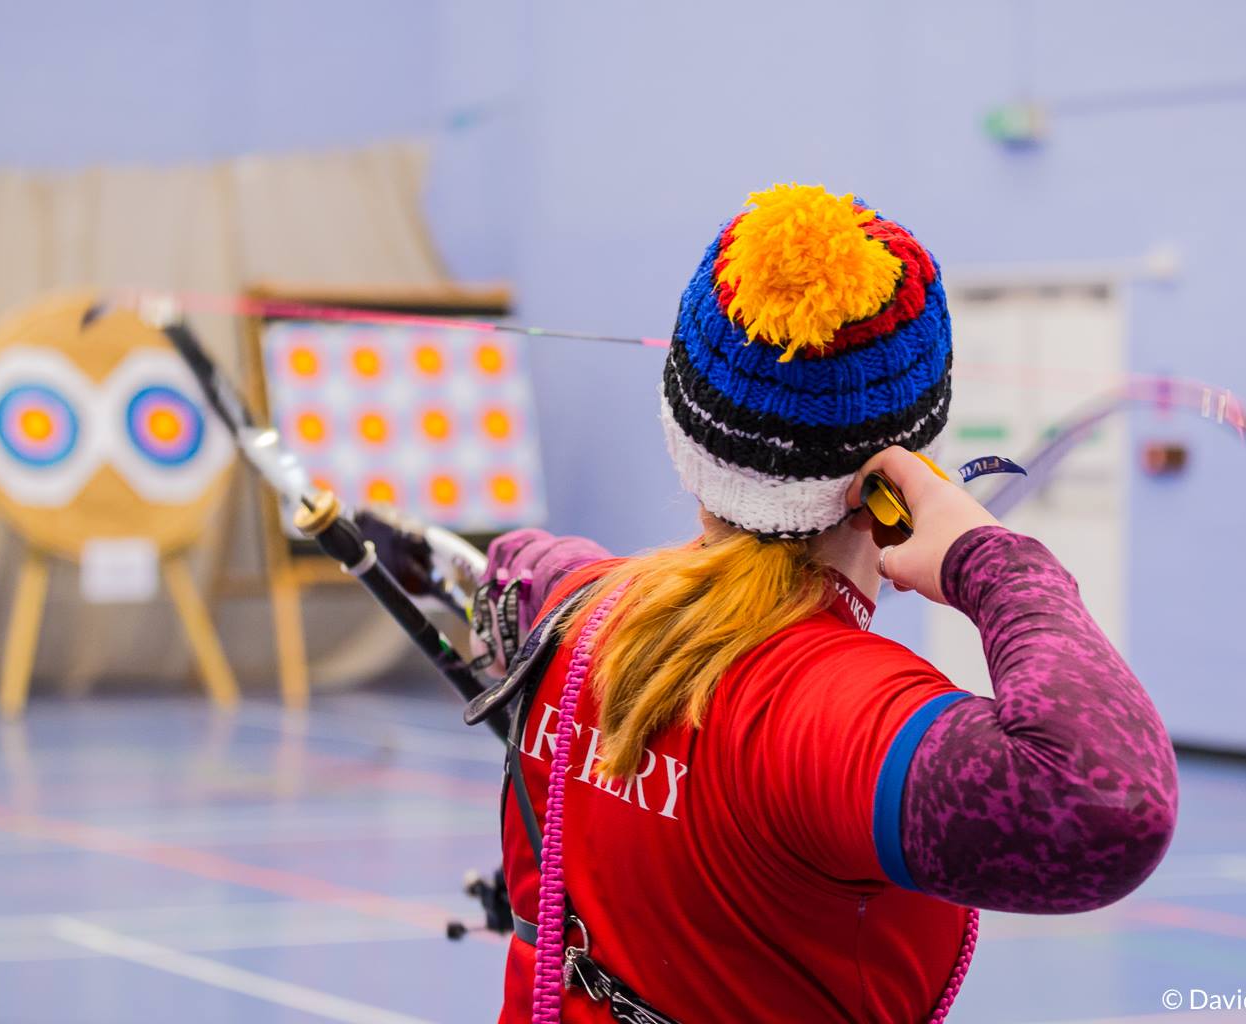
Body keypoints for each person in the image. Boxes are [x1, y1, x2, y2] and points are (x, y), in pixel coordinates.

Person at [475, 184, 1178, 1023]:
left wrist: (542, 568)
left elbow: (526, 567)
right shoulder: (827, 711)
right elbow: (1107, 806)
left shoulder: (576, 606)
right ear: (900, 476)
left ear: (683, 434)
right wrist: (994, 560)